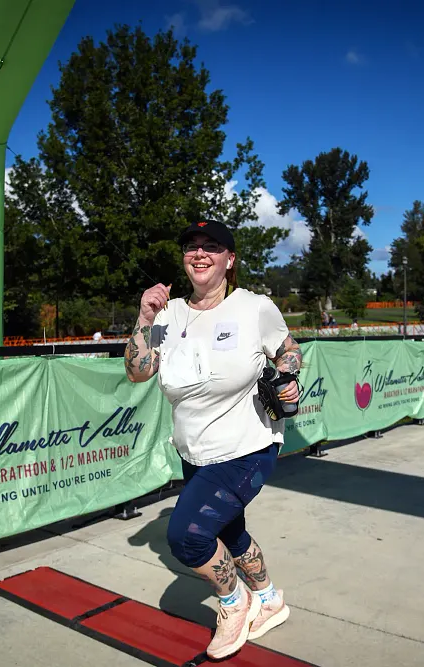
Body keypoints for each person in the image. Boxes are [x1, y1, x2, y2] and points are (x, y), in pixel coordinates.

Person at [124, 219, 301, 660]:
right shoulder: (168, 315)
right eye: (191, 246)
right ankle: (269, 599)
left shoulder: (254, 308)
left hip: (247, 447)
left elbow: (288, 350)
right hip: (195, 451)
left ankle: (234, 602)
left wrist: (287, 377)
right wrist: (145, 317)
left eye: (211, 246)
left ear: (230, 259)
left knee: (187, 536)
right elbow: (139, 370)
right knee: (230, 531)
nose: (199, 253)